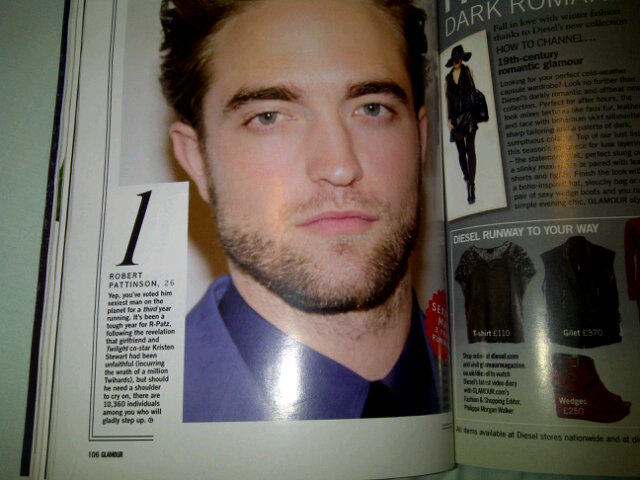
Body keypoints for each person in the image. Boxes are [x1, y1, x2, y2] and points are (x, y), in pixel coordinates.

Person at [159, 0, 441, 421]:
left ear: (420, 138)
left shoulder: (496, 380)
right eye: (269, 117)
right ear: (197, 159)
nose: (340, 167)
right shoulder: (153, 414)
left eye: (372, 108)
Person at [445, 45, 478, 204]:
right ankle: (467, 178)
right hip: (455, 119)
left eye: (458, 58)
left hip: (469, 115)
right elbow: (447, 100)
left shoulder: (468, 71)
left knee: (470, 149)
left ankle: (471, 185)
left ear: (462, 59)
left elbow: (474, 93)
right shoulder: (447, 79)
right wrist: (448, 120)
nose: (456, 61)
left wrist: (477, 113)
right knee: (461, 151)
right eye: (454, 59)